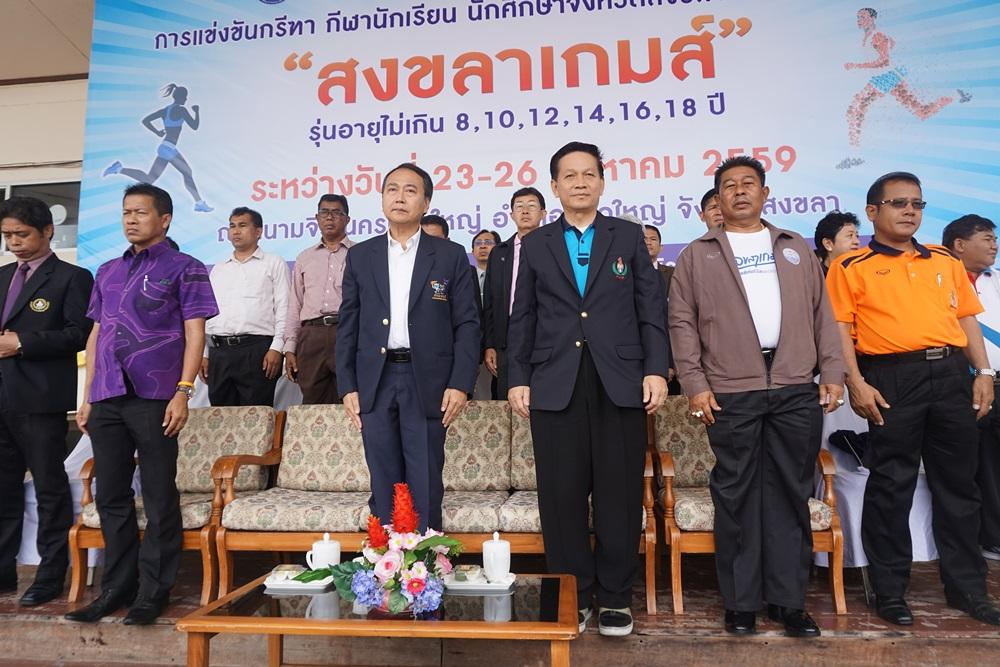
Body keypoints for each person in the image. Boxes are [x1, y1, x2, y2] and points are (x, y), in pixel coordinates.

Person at [670, 156, 845, 638]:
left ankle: (789, 602)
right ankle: (741, 602)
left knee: (791, 494)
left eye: (749, 183)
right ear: (718, 199)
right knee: (736, 495)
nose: (740, 191)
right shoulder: (697, 254)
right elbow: (681, 323)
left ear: (765, 194)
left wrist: (832, 371)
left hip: (794, 387)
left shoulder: (794, 247)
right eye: (729, 186)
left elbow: (822, 314)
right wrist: (695, 384)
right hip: (731, 391)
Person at [507, 142, 669, 637]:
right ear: (554, 186)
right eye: (569, 175)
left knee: (619, 493)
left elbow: (650, 308)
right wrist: (517, 377)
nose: (580, 182)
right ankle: (572, 594)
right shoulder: (536, 243)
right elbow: (523, 316)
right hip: (554, 381)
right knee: (562, 495)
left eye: (588, 174)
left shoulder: (627, 235)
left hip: (619, 380)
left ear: (602, 181)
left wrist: (656, 369)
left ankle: (616, 598)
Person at [826, 172, 1000, 627]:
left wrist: (982, 373)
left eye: (917, 204)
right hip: (891, 377)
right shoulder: (851, 266)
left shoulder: (943, 259)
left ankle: (968, 589)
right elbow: (840, 328)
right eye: (898, 203)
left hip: (950, 375)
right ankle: (889, 591)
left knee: (959, 486)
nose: (909, 211)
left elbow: (966, 319)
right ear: (872, 212)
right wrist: (855, 382)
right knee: (891, 486)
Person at [66, 183, 217, 625]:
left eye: (141, 212)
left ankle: (154, 592)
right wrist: (88, 395)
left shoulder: (185, 268)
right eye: (126, 212)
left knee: (157, 494)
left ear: (164, 219)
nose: (131, 219)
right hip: (107, 396)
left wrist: (183, 391)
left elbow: (195, 333)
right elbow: (96, 335)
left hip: (154, 397)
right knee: (112, 495)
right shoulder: (107, 270)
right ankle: (116, 588)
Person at [336, 162, 479, 531]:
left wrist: (460, 383)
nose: (400, 197)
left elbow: (467, 324)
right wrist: (347, 386)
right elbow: (348, 324)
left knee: (424, 476)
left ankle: (426, 561)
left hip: (427, 379)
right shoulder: (361, 255)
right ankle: (385, 560)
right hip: (376, 379)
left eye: (410, 190)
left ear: (426, 202)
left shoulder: (449, 255)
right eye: (392, 189)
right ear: (382, 198)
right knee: (382, 476)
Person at [0, 197, 94, 607]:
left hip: (40, 399)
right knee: (3, 490)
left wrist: (22, 343)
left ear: (48, 231)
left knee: (49, 489)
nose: (14, 243)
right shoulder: (3, 275)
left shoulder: (73, 277)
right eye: (7, 236)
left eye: (21, 235)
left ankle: (51, 574)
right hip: (1, 396)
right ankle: (3, 572)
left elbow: (79, 334)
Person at [941, 214, 1000, 562]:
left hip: (997, 381)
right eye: (987, 238)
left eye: (995, 238)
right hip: (961, 384)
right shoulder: (941, 280)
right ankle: (987, 537)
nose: (994, 245)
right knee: (976, 464)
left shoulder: (996, 279)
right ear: (960, 245)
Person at [201, 207, 290, 406]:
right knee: (220, 416)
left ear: (258, 232)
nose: (236, 231)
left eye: (242, 225)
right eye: (232, 226)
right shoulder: (219, 268)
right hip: (219, 351)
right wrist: (204, 354)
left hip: (256, 350)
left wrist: (277, 348)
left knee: (255, 416)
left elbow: (284, 308)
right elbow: (208, 315)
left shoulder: (273, 263)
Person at [843, 8, 958, 150]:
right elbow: (892, 43)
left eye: (863, 17)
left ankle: (854, 147)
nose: (859, 20)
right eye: (858, 17)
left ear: (872, 18)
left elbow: (884, 61)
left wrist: (857, 65)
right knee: (921, 112)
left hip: (885, 77)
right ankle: (953, 96)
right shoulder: (868, 36)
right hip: (889, 77)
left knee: (855, 109)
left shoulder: (877, 35)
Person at [283, 195, 354, 405]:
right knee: (312, 402)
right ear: (316, 218)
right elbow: (295, 304)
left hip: (346, 332)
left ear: (347, 219)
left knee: (351, 399)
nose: (329, 217)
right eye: (324, 212)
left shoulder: (360, 254)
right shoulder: (305, 257)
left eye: (336, 212)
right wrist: (290, 347)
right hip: (311, 335)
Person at [103, 84, 212, 212]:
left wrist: (157, 132)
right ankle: (199, 203)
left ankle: (119, 168)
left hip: (166, 147)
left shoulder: (165, 110)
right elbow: (194, 126)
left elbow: (146, 120)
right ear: (181, 97)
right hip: (168, 149)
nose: (186, 99)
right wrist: (196, 112)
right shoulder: (181, 110)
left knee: (149, 179)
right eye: (185, 97)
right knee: (187, 173)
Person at [483, 187, 546, 400]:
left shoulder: (554, 247)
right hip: (506, 339)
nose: (525, 211)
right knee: (509, 400)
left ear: (543, 213)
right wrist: (490, 344)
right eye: (519, 207)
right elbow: (490, 302)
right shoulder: (499, 252)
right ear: (511, 215)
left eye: (531, 206)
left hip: (546, 334)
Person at [470, 230, 500, 400]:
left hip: (497, 344)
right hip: (473, 344)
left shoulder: (506, 278)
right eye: (478, 243)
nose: (483, 246)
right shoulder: (464, 276)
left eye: (488, 242)